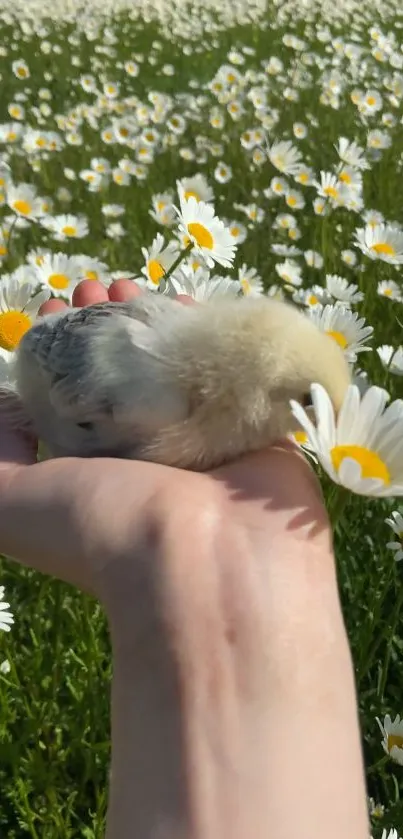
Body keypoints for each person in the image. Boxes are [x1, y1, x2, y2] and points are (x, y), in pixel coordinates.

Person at [0, 279, 369, 839]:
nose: (317, 434)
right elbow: (40, 349)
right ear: (262, 387)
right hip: (53, 361)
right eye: (307, 409)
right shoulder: (146, 393)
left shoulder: (231, 403)